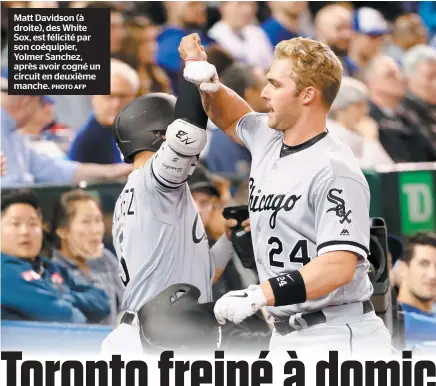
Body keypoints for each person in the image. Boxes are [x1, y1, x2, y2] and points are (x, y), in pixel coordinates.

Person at [180, 33, 392, 354]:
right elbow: (230, 116)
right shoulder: (269, 137)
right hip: (287, 334)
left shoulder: (335, 169)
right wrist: (208, 81)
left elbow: (338, 265)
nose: (264, 93)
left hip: (335, 334)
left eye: (275, 85)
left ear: (307, 95)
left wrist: (259, 294)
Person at [101, 81, 241, 353]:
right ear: (161, 136)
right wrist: (194, 73)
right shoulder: (153, 185)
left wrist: (229, 239)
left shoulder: (145, 193)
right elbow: (187, 136)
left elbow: (200, 277)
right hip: (155, 339)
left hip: (153, 331)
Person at [0, 76, 131, 188]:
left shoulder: (15, 136)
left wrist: (114, 171)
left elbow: (56, 170)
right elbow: (11, 186)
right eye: (40, 102)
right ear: (26, 101)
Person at [1, 190, 110, 323]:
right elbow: (69, 317)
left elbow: (102, 303)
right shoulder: (5, 272)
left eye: (33, 224)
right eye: (15, 224)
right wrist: (64, 298)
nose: (25, 231)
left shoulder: (49, 267)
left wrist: (64, 297)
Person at [50, 189, 124, 325]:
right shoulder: (53, 271)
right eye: (86, 222)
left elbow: (128, 305)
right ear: (63, 231)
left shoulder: (106, 258)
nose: (96, 229)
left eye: (98, 220)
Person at [364, 55, 436, 163]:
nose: (400, 78)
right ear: (372, 84)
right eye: (390, 75)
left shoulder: (409, 115)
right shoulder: (368, 120)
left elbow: (431, 155)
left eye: (399, 73)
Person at [69, 59, 140, 164]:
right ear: (93, 97)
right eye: (109, 96)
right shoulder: (87, 142)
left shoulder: (138, 132)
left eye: (122, 96)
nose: (116, 104)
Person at [327, 76, 394, 169]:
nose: (366, 110)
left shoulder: (358, 134)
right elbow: (366, 172)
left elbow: (389, 167)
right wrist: (369, 139)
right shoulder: (330, 138)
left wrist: (371, 139)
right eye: (359, 105)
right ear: (340, 108)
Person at [207, 1, 273, 70]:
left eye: (252, 4)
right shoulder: (213, 38)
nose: (248, 10)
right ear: (223, 7)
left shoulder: (257, 32)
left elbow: (270, 65)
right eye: (240, 4)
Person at [117, 17, 172, 96]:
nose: (152, 47)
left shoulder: (159, 75)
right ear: (132, 46)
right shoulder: (123, 77)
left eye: (154, 40)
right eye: (144, 42)